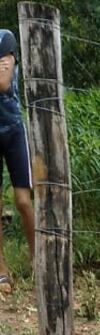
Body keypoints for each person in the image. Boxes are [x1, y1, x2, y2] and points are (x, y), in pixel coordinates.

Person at [0, 29, 33, 295]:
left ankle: (38, 260)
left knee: (23, 201)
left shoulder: (5, 38)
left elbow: (3, 82)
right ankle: (2, 271)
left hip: (13, 130)